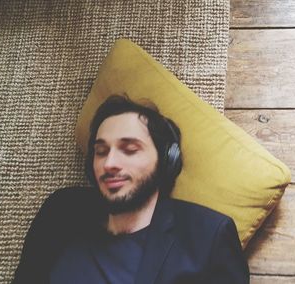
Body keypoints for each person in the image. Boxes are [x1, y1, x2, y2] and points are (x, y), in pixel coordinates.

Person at [13, 95, 250, 283]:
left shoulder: (208, 234)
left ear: (166, 161)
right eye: (101, 151)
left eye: (129, 149)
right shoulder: (62, 210)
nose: (109, 163)